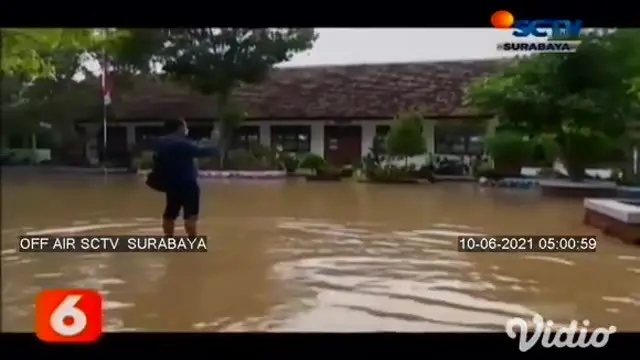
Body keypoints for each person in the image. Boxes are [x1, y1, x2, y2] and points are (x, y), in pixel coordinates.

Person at [153, 118, 218, 237]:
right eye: (185, 127)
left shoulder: (161, 142)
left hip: (171, 184)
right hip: (188, 184)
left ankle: (168, 240)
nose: (187, 130)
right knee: (190, 216)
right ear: (180, 128)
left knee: (170, 214)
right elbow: (204, 151)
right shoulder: (181, 143)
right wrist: (214, 141)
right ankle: (192, 242)